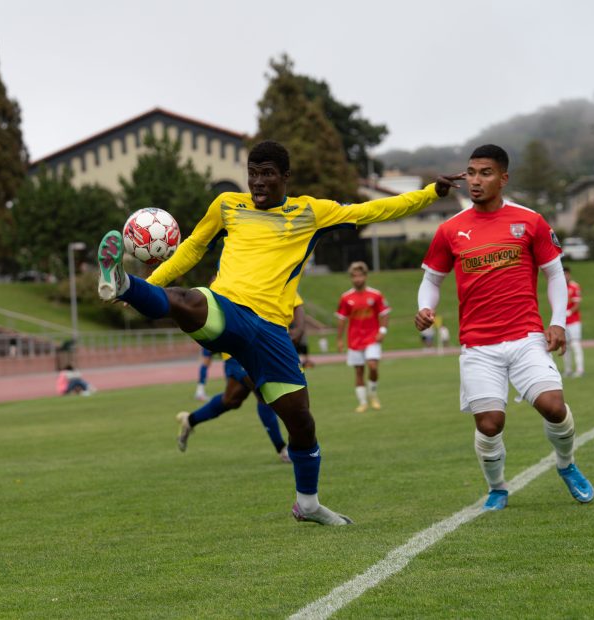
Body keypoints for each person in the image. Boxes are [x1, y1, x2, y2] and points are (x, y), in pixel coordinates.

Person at [97, 139, 463, 525]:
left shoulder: (311, 212)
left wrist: (430, 193)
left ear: (285, 176)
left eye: (267, 174)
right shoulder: (227, 206)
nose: (258, 182)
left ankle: (308, 505)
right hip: (229, 308)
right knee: (185, 300)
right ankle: (124, 285)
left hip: (273, 331)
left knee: (301, 422)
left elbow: (375, 209)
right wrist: (150, 281)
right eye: (253, 174)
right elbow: (191, 249)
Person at [414, 144, 594, 512]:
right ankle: (497, 487)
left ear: (503, 178)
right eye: (471, 172)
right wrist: (425, 309)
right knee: (490, 424)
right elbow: (432, 279)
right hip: (479, 345)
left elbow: (554, 274)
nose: (476, 180)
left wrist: (557, 322)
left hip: (526, 336)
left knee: (553, 406)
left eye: (485, 173)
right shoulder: (450, 229)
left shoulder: (530, 221)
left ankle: (566, 463)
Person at [176, 353, 292, 463]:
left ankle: (190, 420)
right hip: (237, 353)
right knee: (263, 393)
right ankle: (282, 448)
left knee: (231, 400)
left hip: (256, 351)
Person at [336, 261, 389, 413]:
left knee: (372, 366)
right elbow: (341, 319)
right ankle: (363, 402)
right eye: (354, 276)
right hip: (354, 340)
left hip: (372, 338)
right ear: (351, 278)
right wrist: (339, 339)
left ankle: (373, 394)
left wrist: (383, 331)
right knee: (359, 371)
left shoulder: (376, 295)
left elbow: (384, 313)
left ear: (365, 276)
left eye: (360, 275)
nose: (357, 279)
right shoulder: (346, 298)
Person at [562, 266, 584, 378]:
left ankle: (580, 369)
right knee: (565, 346)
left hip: (574, 321)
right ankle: (568, 369)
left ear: (569, 274)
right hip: (562, 322)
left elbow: (577, 303)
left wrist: (569, 312)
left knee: (575, 344)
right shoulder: (559, 286)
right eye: (563, 274)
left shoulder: (574, 287)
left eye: (566, 274)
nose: (565, 276)